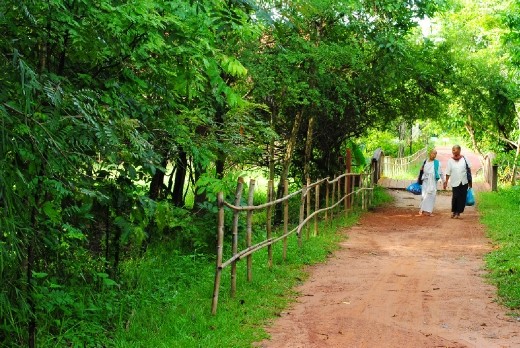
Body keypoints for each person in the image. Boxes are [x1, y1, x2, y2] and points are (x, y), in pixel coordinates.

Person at [443, 145, 472, 218]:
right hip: (455, 181)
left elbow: (469, 170)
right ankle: (454, 211)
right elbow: (448, 172)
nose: (453, 151)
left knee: (462, 197)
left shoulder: (465, 159)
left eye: (455, 150)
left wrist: (470, 182)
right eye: (452, 150)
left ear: (459, 150)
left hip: (464, 181)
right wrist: (446, 182)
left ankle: (458, 212)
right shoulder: (450, 160)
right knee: (455, 197)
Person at [418, 149, 444, 216]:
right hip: (425, 180)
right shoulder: (425, 161)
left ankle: (429, 211)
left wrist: (444, 181)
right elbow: (421, 170)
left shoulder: (437, 163)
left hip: (433, 181)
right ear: (430, 153)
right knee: (424, 195)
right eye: (433, 153)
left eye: (435, 154)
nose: (434, 155)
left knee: (432, 195)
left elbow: (441, 173)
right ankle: (422, 210)